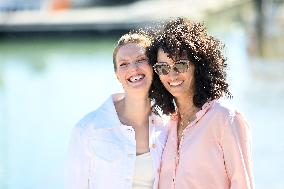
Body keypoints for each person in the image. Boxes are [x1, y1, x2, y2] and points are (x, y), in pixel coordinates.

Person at [147, 17, 254, 189]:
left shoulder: (226, 119)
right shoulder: (166, 127)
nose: (172, 75)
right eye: (163, 67)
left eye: (181, 65)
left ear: (199, 65)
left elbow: (242, 184)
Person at [65, 32, 169, 189]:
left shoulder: (168, 125)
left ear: (154, 68)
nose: (133, 68)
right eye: (123, 64)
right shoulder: (87, 129)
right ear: (117, 75)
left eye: (141, 60)